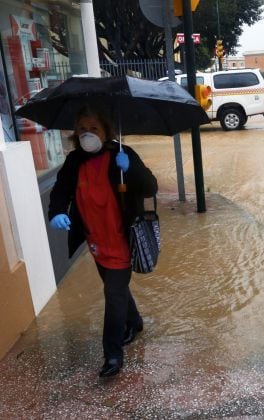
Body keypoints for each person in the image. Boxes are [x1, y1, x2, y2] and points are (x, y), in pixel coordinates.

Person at [48, 105, 158, 377]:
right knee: (115, 288)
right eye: (82, 129)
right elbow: (61, 191)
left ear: (106, 132)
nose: (87, 134)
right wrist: (57, 212)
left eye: (94, 128)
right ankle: (134, 321)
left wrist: (130, 169)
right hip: (95, 240)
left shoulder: (122, 154)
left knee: (113, 293)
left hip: (121, 237)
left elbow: (149, 187)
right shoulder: (74, 161)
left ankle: (112, 354)